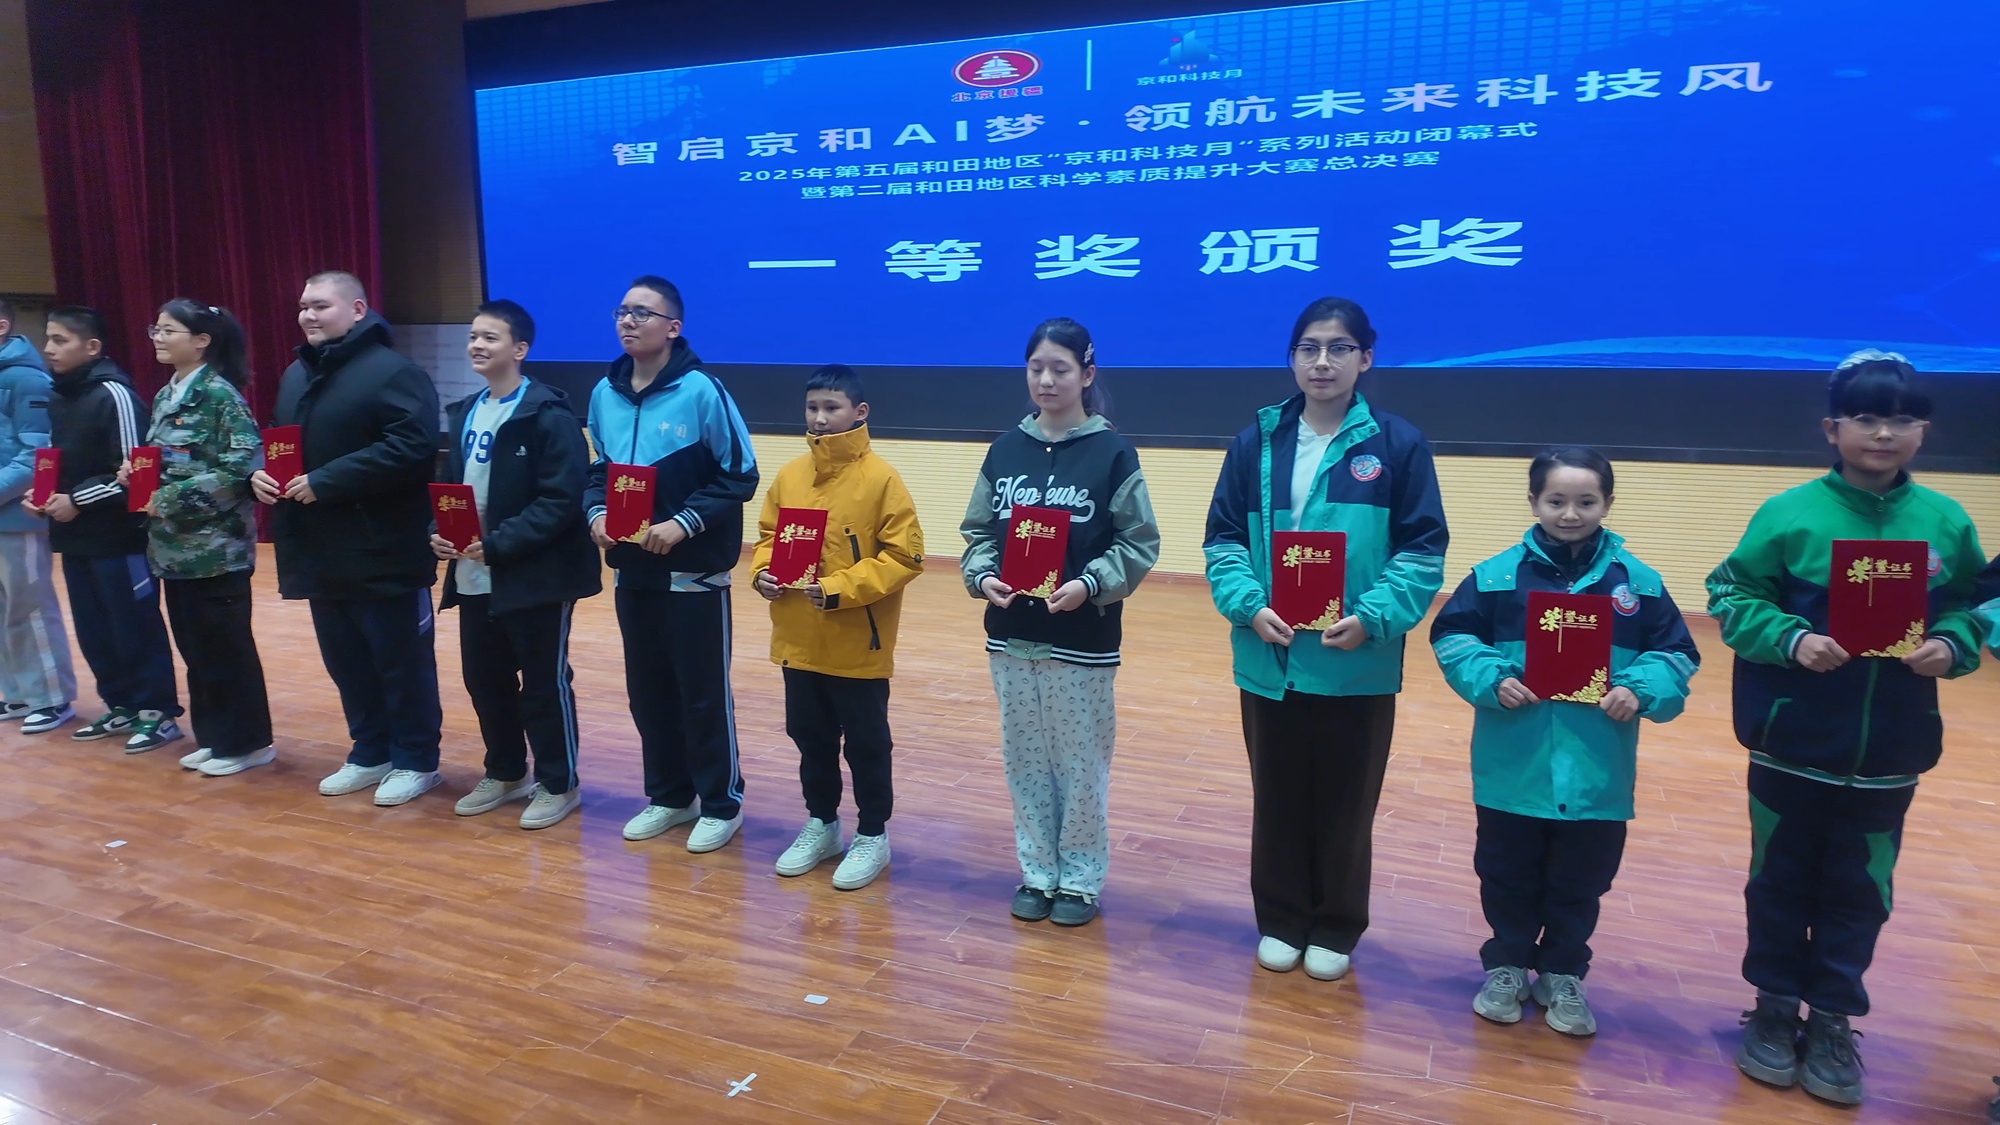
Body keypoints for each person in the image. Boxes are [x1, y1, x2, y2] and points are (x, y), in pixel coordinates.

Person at [1708, 350, 1986, 1106]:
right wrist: (1790, 637)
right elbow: (1730, 594)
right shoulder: (1789, 513)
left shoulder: (1946, 522)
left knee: (1862, 890)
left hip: (1891, 750)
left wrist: (1954, 642)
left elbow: (1978, 603)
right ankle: (1772, 1006)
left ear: (1923, 431)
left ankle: (1833, 1016)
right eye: (1866, 418)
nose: (1883, 433)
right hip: (1791, 743)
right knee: (1778, 881)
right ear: (1832, 429)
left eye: (1901, 419)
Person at [1201, 296, 1448, 981]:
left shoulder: (1397, 445)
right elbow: (1223, 539)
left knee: (1346, 801)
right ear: (1291, 358)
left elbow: (1422, 551)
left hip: (1356, 662)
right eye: (1308, 347)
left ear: (1365, 358)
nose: (1322, 361)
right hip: (1271, 655)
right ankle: (1281, 918)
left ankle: (1336, 924)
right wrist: (1249, 606)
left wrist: (1372, 616)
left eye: (1339, 348)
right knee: (1277, 796)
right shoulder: (1256, 442)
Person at [1430, 446, 1700, 1037]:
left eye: (1586, 501)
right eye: (1556, 500)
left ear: (1607, 503)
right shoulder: (1496, 578)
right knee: (1506, 873)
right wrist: (1491, 677)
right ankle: (1505, 965)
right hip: (1513, 768)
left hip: (1596, 772)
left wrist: (1639, 688)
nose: (1570, 514)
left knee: (1582, 880)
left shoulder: (1639, 584)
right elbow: (1451, 635)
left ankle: (1562, 972)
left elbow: (1677, 652)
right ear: (1534, 502)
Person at [960, 318, 1159, 928]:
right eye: (1036, 368)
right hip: (1010, 637)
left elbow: (1138, 541)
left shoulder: (1113, 453)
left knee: (1080, 763)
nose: (1046, 380)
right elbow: (977, 532)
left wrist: (1089, 584)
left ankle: (1079, 878)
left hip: (1082, 639)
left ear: (1087, 374)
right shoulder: (1004, 450)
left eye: (1060, 369)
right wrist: (982, 576)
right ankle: (1037, 871)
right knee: (1023, 760)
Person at [254, 271, 444, 806]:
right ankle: (370, 751)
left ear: (358, 309)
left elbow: (412, 448)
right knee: (347, 661)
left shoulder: (395, 372)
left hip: (382, 548)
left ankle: (415, 759)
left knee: (400, 662)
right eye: (303, 306)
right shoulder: (297, 373)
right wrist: (259, 473)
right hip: (318, 547)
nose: (308, 316)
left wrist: (328, 480)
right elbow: (280, 440)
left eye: (321, 306)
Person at [582, 276, 758, 851]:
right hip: (632, 572)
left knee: (701, 693)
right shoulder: (604, 393)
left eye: (642, 313)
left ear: (673, 327)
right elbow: (598, 471)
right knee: (648, 691)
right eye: (622, 311)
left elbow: (740, 474)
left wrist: (684, 522)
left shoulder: (702, 390)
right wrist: (595, 514)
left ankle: (721, 803)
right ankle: (669, 796)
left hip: (694, 575)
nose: (627, 321)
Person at [751, 364, 923, 889]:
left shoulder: (882, 479)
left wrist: (839, 588)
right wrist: (762, 573)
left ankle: (872, 834)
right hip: (798, 639)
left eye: (832, 408)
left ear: (859, 412)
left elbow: (905, 556)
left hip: (857, 644)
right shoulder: (790, 476)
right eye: (812, 408)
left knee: (867, 745)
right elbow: (767, 537)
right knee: (810, 738)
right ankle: (821, 824)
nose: (820, 418)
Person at [433, 300, 600, 830]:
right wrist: (437, 531)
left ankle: (559, 782)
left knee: (544, 683)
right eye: (473, 336)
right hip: (473, 569)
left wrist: (501, 543)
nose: (477, 345)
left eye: (491, 337)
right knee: (485, 679)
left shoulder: (548, 413)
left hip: (535, 574)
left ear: (520, 349)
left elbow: (561, 499)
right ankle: (505, 771)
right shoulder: (465, 411)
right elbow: (451, 488)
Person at [129, 301, 273, 775]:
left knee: (226, 649)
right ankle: (214, 738)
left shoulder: (219, 396)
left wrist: (168, 498)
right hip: (173, 549)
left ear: (201, 341)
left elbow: (240, 469)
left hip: (216, 550)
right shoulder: (168, 393)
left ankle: (248, 743)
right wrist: (136, 474)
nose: (157, 337)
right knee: (196, 650)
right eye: (156, 328)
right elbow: (167, 460)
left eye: (168, 330)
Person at [30, 307, 181, 751]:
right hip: (76, 539)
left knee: (134, 626)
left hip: (121, 538)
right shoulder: (60, 395)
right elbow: (61, 462)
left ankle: (156, 713)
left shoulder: (114, 394)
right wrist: (44, 496)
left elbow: (138, 473)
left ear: (92, 347)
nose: (48, 348)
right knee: (94, 629)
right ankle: (121, 706)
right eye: (48, 338)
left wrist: (77, 500)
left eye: (60, 340)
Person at [0, 297, 77, 734]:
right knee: (3, 610)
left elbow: (36, 456)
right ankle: (16, 693)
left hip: (20, 517)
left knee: (29, 607)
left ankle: (51, 697)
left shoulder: (26, 379)